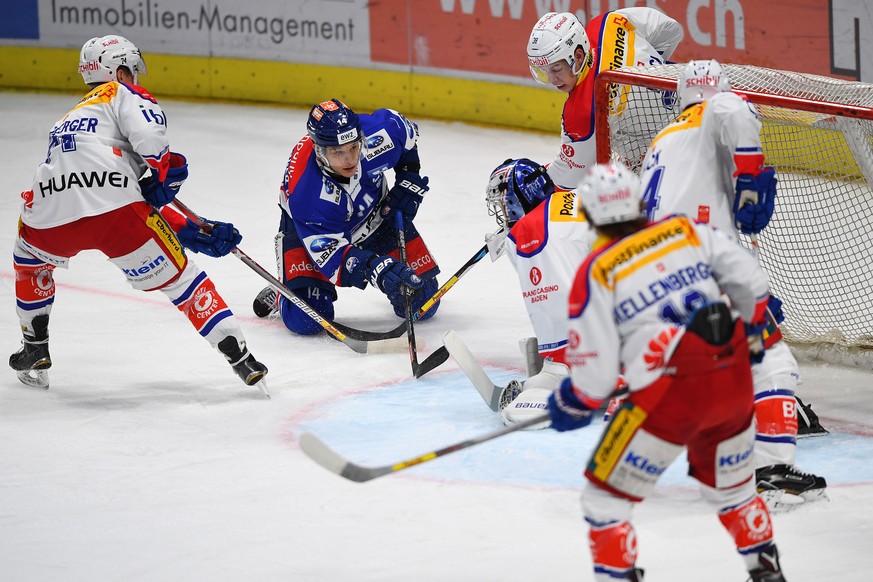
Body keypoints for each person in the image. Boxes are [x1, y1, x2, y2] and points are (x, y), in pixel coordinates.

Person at [547, 162, 787, 582]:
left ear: (590, 216)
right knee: (734, 492)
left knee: (604, 501)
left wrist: (573, 400)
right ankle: (768, 574)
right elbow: (750, 278)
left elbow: (598, 377)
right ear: (639, 203)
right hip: (732, 379)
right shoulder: (684, 229)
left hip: (669, 397)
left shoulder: (597, 270)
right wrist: (750, 328)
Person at [10, 35, 267, 392]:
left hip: (48, 209)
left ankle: (34, 348)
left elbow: (83, 188)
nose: (136, 79)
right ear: (117, 70)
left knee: (29, 261)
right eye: (131, 70)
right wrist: (163, 172)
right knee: (183, 282)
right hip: (116, 211)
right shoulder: (122, 93)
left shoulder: (67, 120)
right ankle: (241, 359)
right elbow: (143, 153)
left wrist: (186, 225)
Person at [638, 59, 827, 510]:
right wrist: (749, 174)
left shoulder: (660, 143)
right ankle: (769, 474)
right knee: (773, 359)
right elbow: (732, 110)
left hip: (652, 280)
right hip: (697, 267)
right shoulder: (715, 110)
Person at [252, 99, 440, 334]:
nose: (350, 159)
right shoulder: (306, 192)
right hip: (312, 231)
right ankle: (285, 290)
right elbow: (333, 257)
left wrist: (408, 176)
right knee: (308, 321)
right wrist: (375, 267)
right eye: (338, 152)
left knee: (423, 302)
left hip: (376, 215)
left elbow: (406, 134)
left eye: (353, 148)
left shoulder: (379, 134)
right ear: (319, 151)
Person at [483, 158, 596, 427]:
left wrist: (559, 363)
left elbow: (555, 291)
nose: (503, 211)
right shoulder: (573, 198)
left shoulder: (531, 229)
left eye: (504, 202)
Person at [527, 9, 683, 190]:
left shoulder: (582, 111)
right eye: (544, 72)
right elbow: (670, 30)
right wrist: (650, 72)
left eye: (556, 69)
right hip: (700, 102)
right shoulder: (607, 23)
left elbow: (566, 180)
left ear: (578, 56)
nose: (552, 80)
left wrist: (532, 181)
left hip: (673, 158)